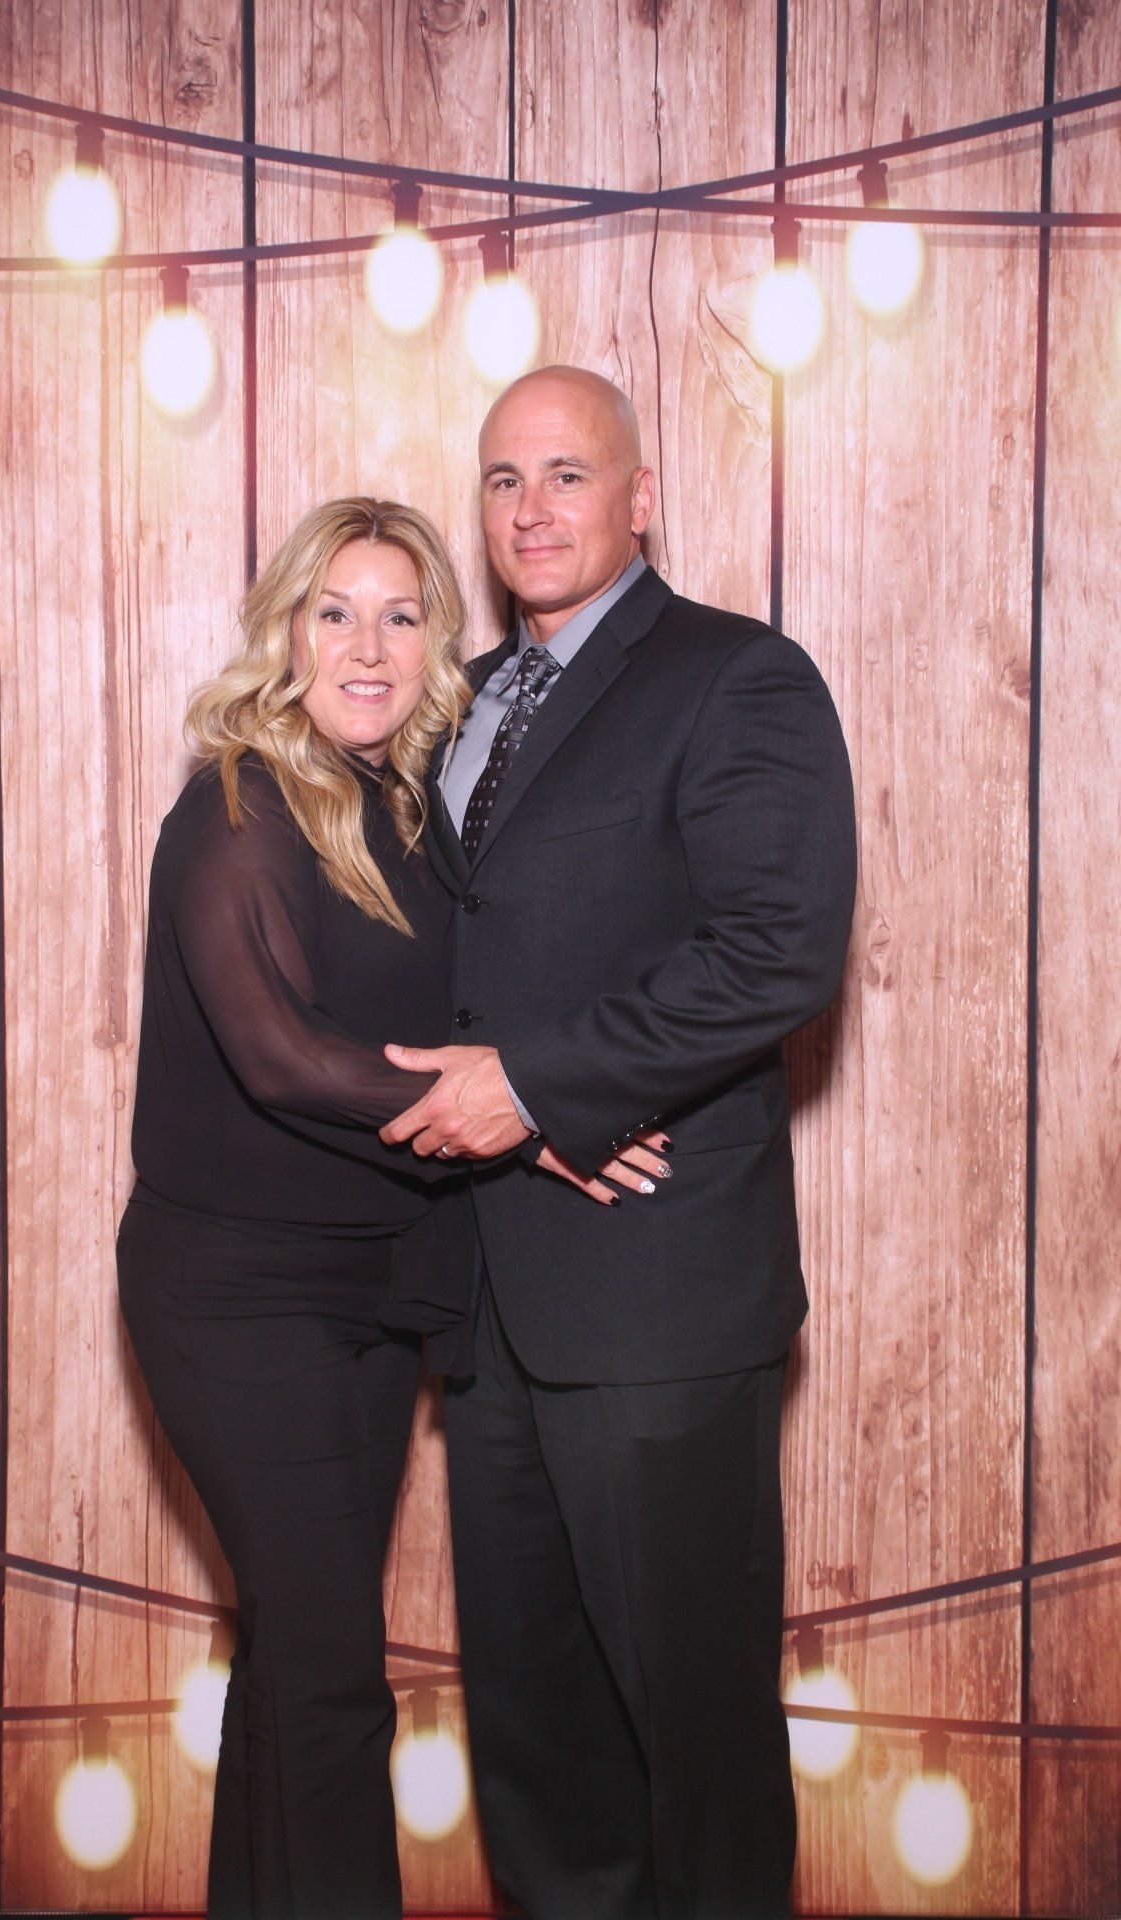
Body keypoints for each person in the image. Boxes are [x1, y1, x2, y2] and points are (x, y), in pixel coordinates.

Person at [381, 367, 858, 1919]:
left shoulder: (739, 678)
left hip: (659, 1303)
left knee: (694, 1740)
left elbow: (778, 950)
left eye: (568, 474)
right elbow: (443, 973)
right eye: (503, 479)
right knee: (537, 1745)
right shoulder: (454, 702)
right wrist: (520, 1124)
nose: (532, 510)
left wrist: (540, 1089)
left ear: (640, 497)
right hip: (489, 1307)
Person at [116, 497, 482, 1920]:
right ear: (286, 632)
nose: (368, 648)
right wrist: (518, 1118)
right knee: (332, 1680)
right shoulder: (240, 800)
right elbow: (280, 1055)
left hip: (375, 1285)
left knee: (291, 1659)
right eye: (336, 613)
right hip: (239, 1292)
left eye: (400, 615)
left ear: (435, 643)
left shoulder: (413, 808)